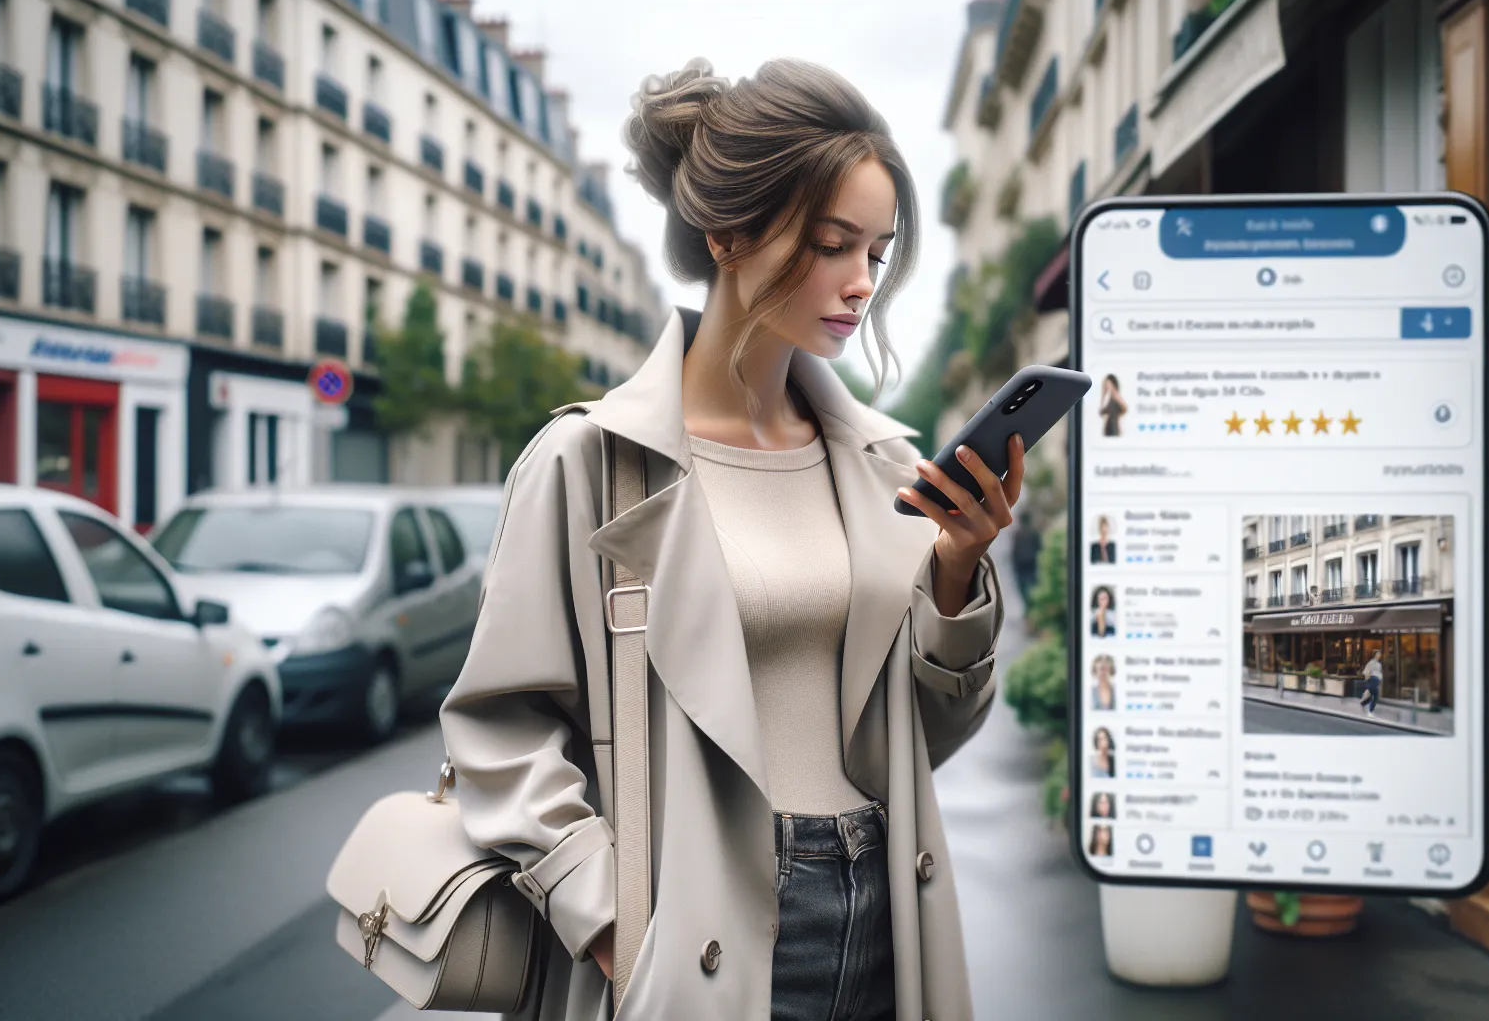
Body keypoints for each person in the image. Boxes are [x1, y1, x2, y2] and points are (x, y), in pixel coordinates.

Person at [438, 57, 1019, 1021]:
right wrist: (612, 920)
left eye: (877, 254)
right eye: (832, 244)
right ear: (728, 235)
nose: (860, 283)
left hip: (885, 912)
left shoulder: (883, 466)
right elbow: (499, 730)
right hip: (693, 930)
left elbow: (928, 739)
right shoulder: (591, 461)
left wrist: (955, 575)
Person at [1011, 508, 1042, 604]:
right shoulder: (1034, 532)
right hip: (1031, 562)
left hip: (1020, 564)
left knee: (1022, 585)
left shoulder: (1017, 534)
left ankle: (1028, 603)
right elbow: (1039, 547)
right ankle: (1034, 602)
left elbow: (1014, 551)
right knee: (1033, 583)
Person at [1361, 649, 1384, 716]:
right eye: (1378, 654)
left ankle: (1364, 704)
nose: (1379, 655)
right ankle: (1370, 711)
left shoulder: (1379, 664)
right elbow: (1366, 671)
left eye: (1380, 654)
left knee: (1373, 696)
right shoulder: (1371, 663)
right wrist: (1367, 680)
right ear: (1375, 655)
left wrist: (1380, 680)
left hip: (1376, 681)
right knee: (1375, 696)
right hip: (1372, 680)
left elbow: (1379, 673)